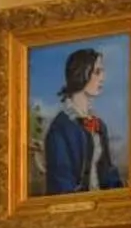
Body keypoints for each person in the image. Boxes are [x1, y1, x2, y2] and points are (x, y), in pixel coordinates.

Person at [42, 47, 123, 194]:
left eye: (102, 71)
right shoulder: (60, 128)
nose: (103, 78)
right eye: (97, 72)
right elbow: (61, 183)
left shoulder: (99, 125)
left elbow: (108, 172)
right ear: (81, 74)